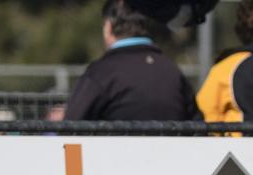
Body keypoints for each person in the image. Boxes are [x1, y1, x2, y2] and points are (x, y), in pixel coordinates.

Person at [64, 0, 200, 121]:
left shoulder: (100, 73)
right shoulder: (173, 72)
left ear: (108, 27)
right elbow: (198, 127)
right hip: (172, 149)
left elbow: (70, 128)